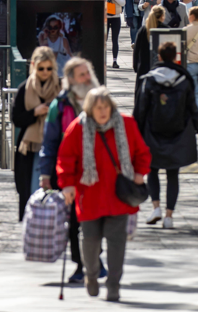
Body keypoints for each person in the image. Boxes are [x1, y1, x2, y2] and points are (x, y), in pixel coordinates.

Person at [57, 87, 151, 302]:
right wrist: (67, 185)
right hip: (89, 195)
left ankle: (113, 285)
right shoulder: (78, 127)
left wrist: (139, 173)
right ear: (90, 109)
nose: (102, 111)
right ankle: (91, 274)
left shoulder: (126, 124)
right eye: (98, 107)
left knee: (117, 243)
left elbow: (142, 152)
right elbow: (65, 158)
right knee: (90, 241)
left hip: (118, 195)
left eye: (106, 107)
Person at [135, 42, 198, 229]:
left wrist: (134, 136)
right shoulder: (184, 80)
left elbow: (140, 110)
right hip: (178, 134)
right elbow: (194, 110)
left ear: (159, 56)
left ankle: (156, 208)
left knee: (152, 170)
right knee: (172, 174)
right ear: (176, 57)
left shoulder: (149, 80)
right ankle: (169, 216)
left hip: (152, 133)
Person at [39, 58, 100, 283]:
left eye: (88, 73)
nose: (87, 78)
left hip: (99, 170)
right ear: (71, 79)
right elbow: (49, 142)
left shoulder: (101, 100)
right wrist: (45, 173)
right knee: (74, 220)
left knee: (98, 217)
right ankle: (80, 264)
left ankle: (96, 259)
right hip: (71, 172)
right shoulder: (59, 105)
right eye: (82, 74)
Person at [11, 47, 60, 220]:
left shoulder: (60, 88)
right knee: (31, 190)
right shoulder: (25, 88)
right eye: (41, 68)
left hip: (55, 147)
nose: (45, 72)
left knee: (54, 192)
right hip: (30, 148)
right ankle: (32, 222)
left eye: (49, 68)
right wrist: (35, 112)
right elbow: (16, 118)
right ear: (33, 66)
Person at [133, 6, 166, 93]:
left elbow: (136, 51)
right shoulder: (165, 30)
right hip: (161, 69)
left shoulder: (142, 30)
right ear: (162, 16)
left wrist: (136, 66)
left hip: (143, 68)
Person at [105, 0, 126, 69]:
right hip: (105, 17)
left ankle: (114, 60)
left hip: (115, 16)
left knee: (115, 39)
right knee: (104, 40)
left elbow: (123, 3)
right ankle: (103, 60)